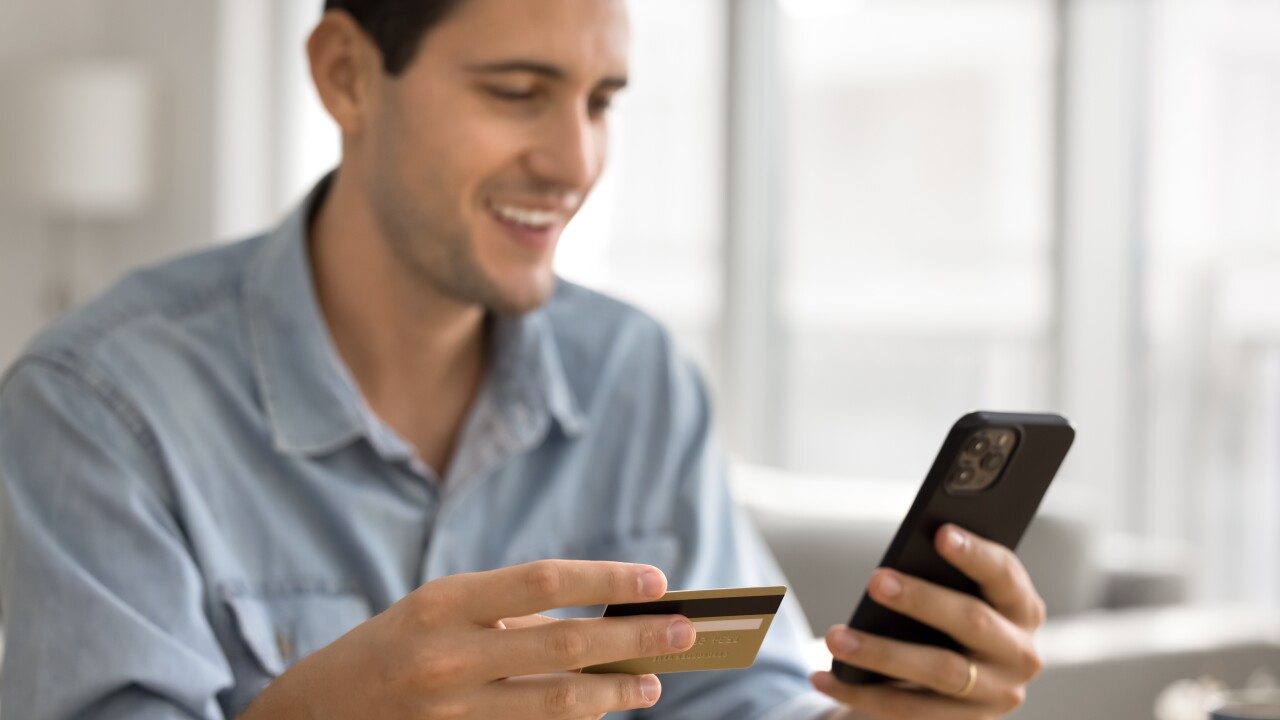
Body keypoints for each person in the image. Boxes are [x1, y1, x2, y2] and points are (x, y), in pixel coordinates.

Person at [0, 0, 1047, 718]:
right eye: (515, 91)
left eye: (600, 102)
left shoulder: (637, 380)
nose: (575, 162)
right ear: (346, 76)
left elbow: (743, 701)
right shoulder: (98, 408)